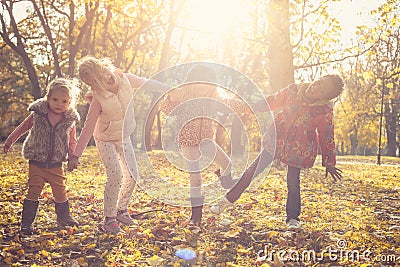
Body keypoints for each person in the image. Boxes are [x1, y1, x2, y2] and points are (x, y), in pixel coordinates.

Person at [210, 74, 344, 231]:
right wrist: (246, 106)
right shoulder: (293, 91)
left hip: (298, 147)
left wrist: (329, 162)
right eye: (318, 82)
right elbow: (269, 102)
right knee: (252, 171)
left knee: (293, 183)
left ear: (325, 97)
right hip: (277, 139)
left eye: (321, 90)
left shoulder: (323, 111)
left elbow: (327, 135)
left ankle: (293, 218)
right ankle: (226, 200)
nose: (314, 87)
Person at [68, 56, 167, 234]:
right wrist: (76, 155)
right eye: (92, 82)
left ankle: (121, 210)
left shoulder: (125, 79)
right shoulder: (98, 98)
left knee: (133, 175)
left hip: (123, 135)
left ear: (103, 68)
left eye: (98, 77)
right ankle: (109, 219)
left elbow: (145, 83)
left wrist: (167, 89)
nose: (97, 84)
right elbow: (88, 127)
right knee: (115, 176)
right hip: (105, 139)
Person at [160, 64, 249, 226]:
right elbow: (166, 109)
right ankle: (196, 217)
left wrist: (248, 106)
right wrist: (170, 97)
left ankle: (226, 182)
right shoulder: (184, 96)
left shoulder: (214, 99)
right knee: (196, 179)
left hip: (206, 141)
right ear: (191, 83)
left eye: (206, 84)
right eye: (199, 83)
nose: (203, 88)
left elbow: (230, 103)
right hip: (188, 143)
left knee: (227, 164)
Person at [3, 78, 80, 235]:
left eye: (64, 101)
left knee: (60, 191)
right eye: (55, 99)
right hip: (37, 162)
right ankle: (26, 224)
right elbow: (22, 128)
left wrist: (72, 157)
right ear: (48, 98)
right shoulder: (38, 114)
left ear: (70, 102)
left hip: (56, 164)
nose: (59, 104)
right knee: (34, 190)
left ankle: (64, 218)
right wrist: (10, 140)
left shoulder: (69, 120)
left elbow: (72, 141)